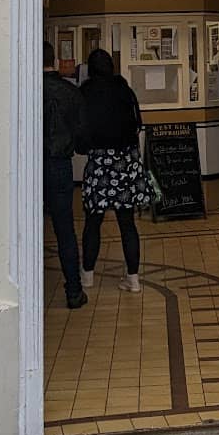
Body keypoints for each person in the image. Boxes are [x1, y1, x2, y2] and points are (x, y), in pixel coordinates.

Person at [79, 48, 150, 293]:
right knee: (127, 223)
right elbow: (137, 124)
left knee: (93, 221)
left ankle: (87, 275)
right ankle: (133, 279)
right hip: (125, 162)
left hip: (99, 162)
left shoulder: (85, 92)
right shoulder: (124, 90)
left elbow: (81, 131)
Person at [43, 40, 89, 310]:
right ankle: (74, 289)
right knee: (64, 229)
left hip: (29, 167)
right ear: (56, 61)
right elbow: (82, 136)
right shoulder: (70, 93)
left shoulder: (26, 90)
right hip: (60, 165)